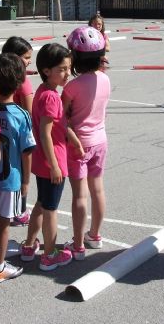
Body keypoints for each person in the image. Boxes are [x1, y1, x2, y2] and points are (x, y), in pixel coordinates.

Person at [21, 43, 82, 272]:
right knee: (51, 209)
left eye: (69, 68)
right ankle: (49, 254)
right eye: (63, 69)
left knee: (42, 203)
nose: (67, 73)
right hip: (52, 161)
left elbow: (57, 126)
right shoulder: (51, 98)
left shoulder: (44, 91)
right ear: (47, 70)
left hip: (44, 160)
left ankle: (29, 245)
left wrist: (73, 139)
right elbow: (46, 134)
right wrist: (55, 165)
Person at [0, 53, 36, 283]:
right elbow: (27, 152)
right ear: (18, 85)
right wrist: (26, 180)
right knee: (3, 224)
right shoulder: (21, 115)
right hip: (9, 179)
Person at [62, 26, 111, 260]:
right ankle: (95, 235)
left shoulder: (71, 87)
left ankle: (78, 244)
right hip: (100, 140)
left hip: (78, 144)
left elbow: (64, 117)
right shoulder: (105, 79)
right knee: (97, 190)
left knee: (80, 196)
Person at [0, 36, 34, 226]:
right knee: (18, 173)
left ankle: (4, 207)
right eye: (26, 57)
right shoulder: (24, 81)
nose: (29, 62)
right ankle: (19, 210)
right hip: (16, 132)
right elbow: (29, 111)